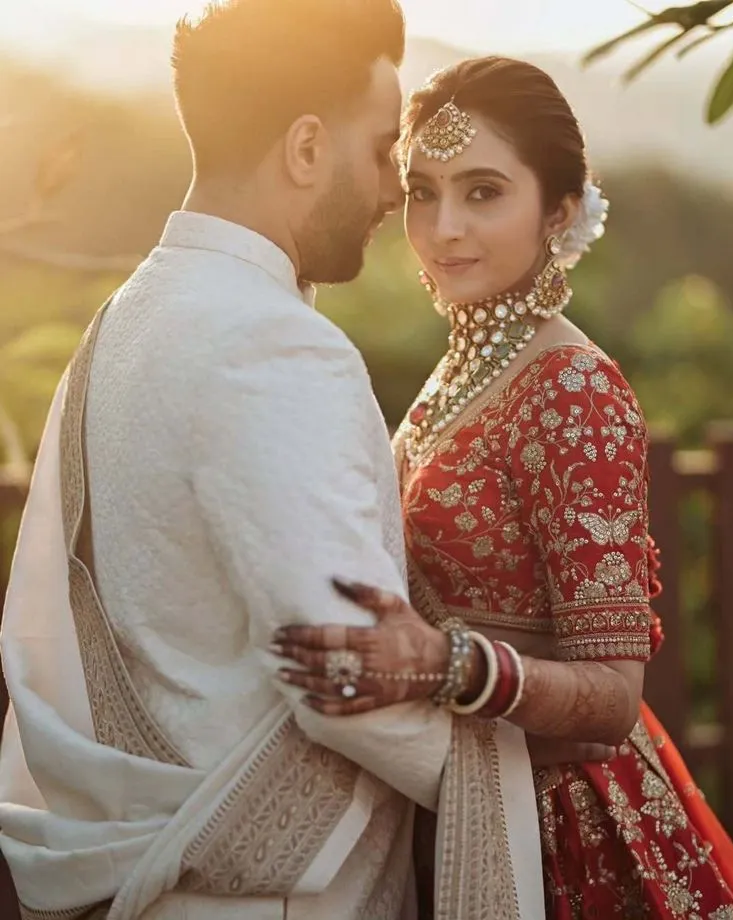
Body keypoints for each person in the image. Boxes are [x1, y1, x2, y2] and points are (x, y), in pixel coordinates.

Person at [0, 9, 593, 920]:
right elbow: (346, 683)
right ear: (307, 147)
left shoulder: (125, 317)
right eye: (383, 151)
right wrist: (528, 783)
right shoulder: (277, 347)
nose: (394, 192)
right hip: (276, 896)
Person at [275, 56, 733, 917]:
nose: (443, 228)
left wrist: (443, 664)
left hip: (559, 830)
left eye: (483, 192)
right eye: (422, 192)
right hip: (461, 794)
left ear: (558, 211)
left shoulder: (573, 388)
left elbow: (613, 697)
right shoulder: (467, 365)